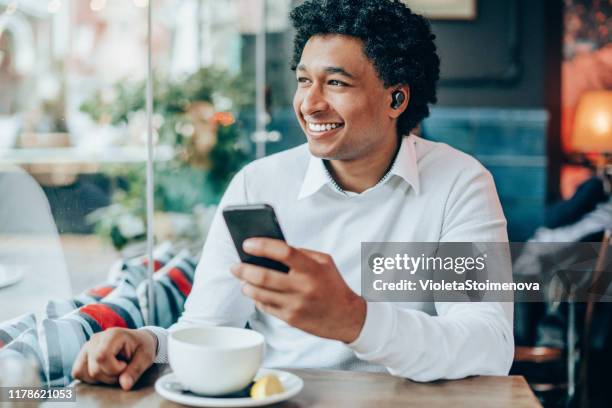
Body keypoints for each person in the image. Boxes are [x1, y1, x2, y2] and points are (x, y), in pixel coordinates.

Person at [72, 0, 513, 391]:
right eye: (304, 81)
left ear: (396, 97)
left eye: (336, 84)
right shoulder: (258, 183)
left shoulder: (459, 183)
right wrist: (150, 344)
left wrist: (354, 320)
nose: (310, 103)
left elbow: (487, 344)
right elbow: (209, 329)